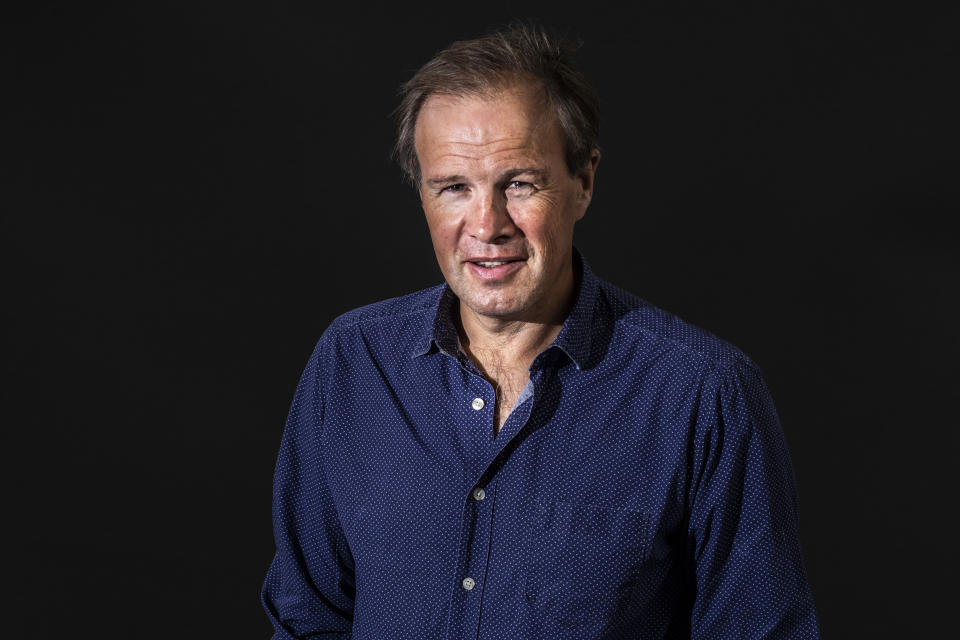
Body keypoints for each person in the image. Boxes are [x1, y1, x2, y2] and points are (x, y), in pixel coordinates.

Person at [261, 23, 819, 639]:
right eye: (454, 187)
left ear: (583, 181)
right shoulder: (352, 361)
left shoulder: (701, 390)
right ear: (421, 194)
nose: (487, 224)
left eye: (519, 184)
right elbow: (305, 619)